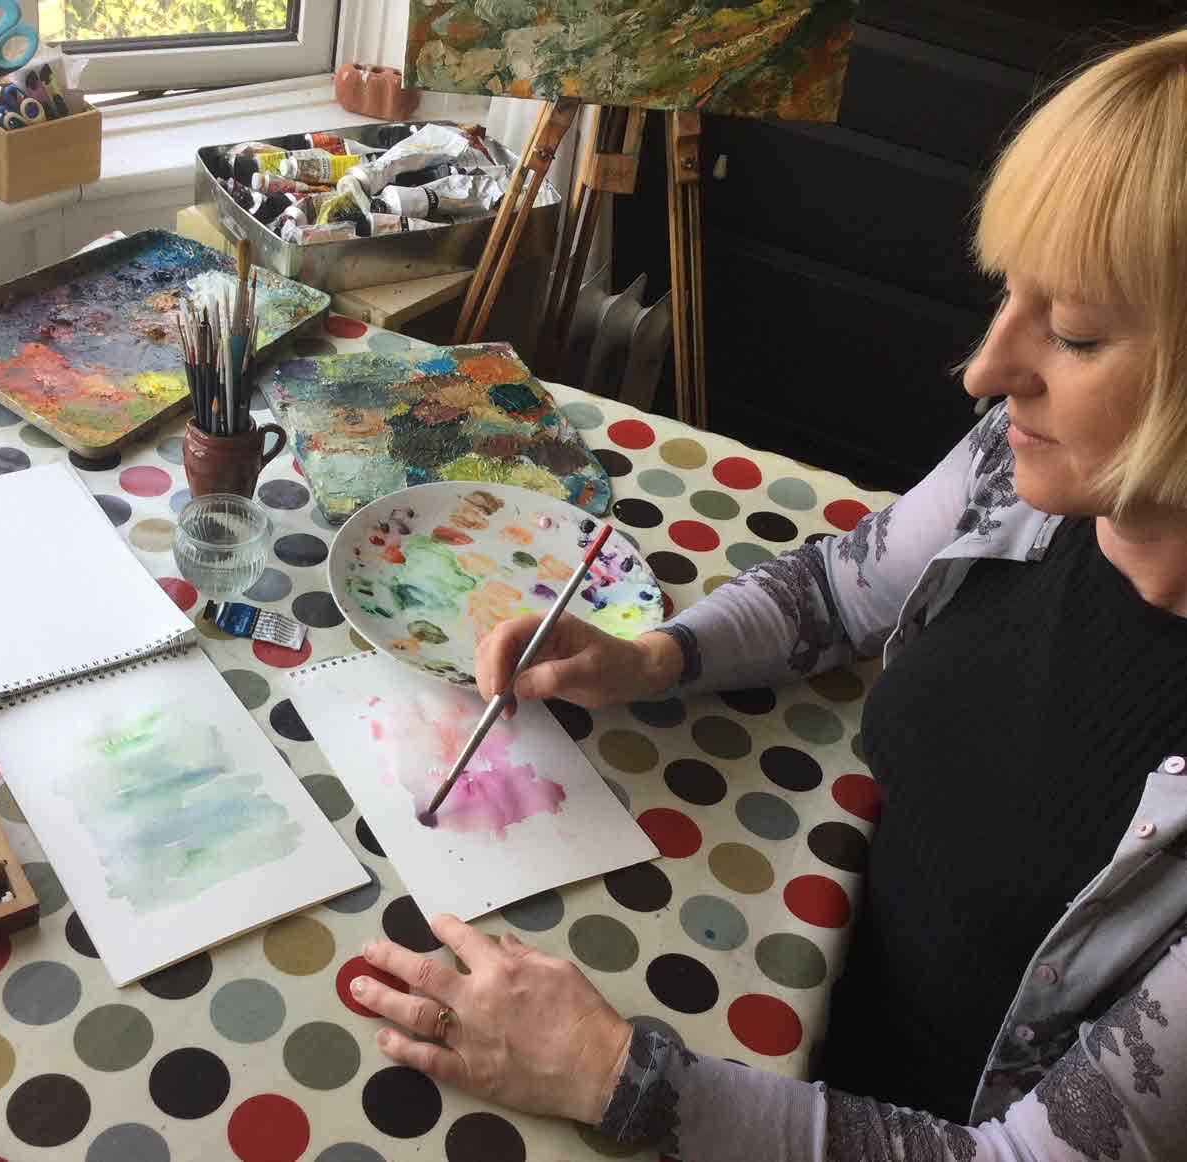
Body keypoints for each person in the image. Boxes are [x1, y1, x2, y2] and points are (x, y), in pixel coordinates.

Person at [349, 27, 1187, 1162]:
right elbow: (842, 588)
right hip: (822, 983)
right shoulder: (1029, 469)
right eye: (1008, 293)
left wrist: (614, 1075)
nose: (987, 371)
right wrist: (651, 658)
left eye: (1076, 333)